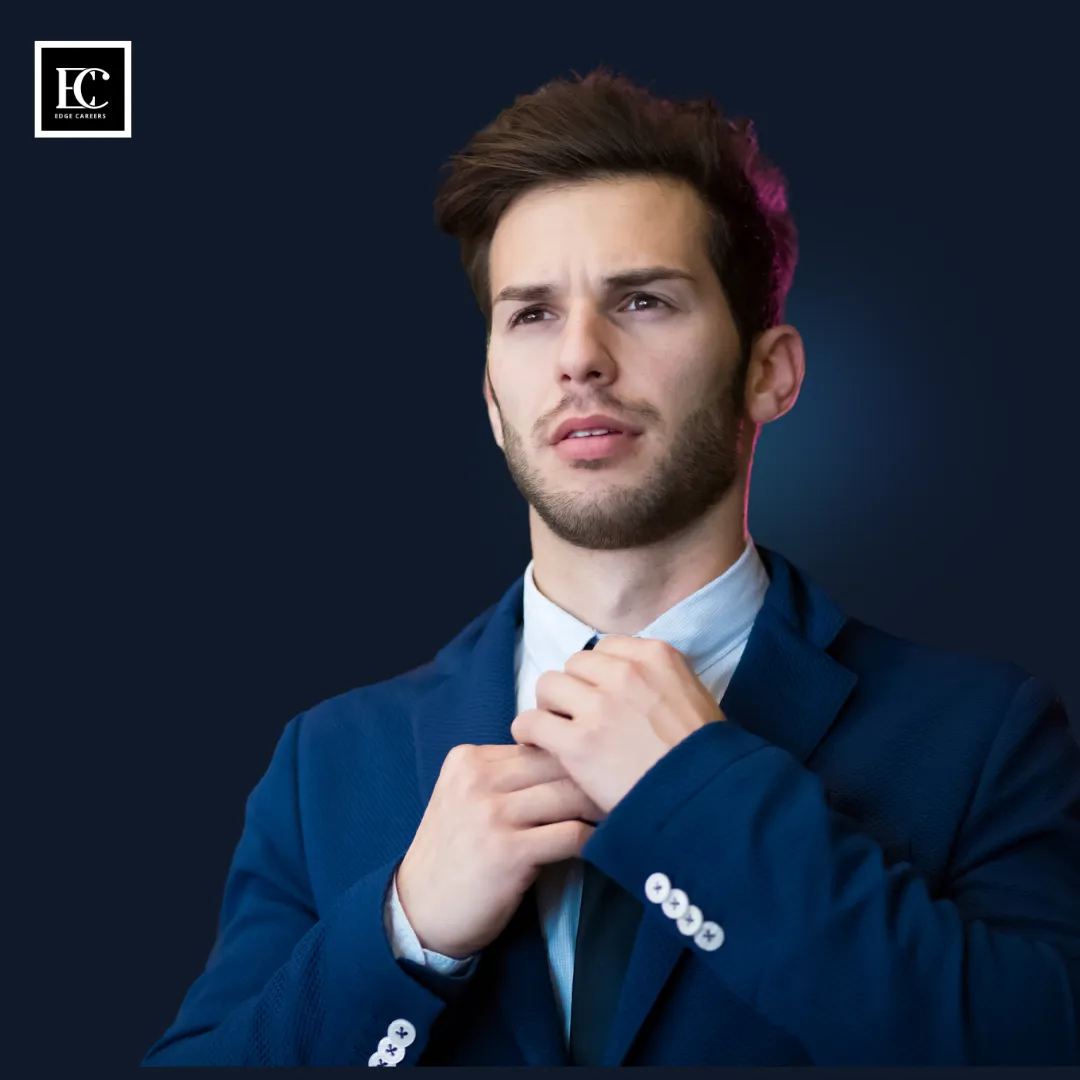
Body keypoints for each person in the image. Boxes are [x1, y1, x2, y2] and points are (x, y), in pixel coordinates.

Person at [140, 66, 1080, 1067]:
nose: (579, 357)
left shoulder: (985, 739)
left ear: (769, 374)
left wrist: (704, 800)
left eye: (641, 300)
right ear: (496, 400)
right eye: (532, 314)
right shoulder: (322, 765)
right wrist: (404, 935)